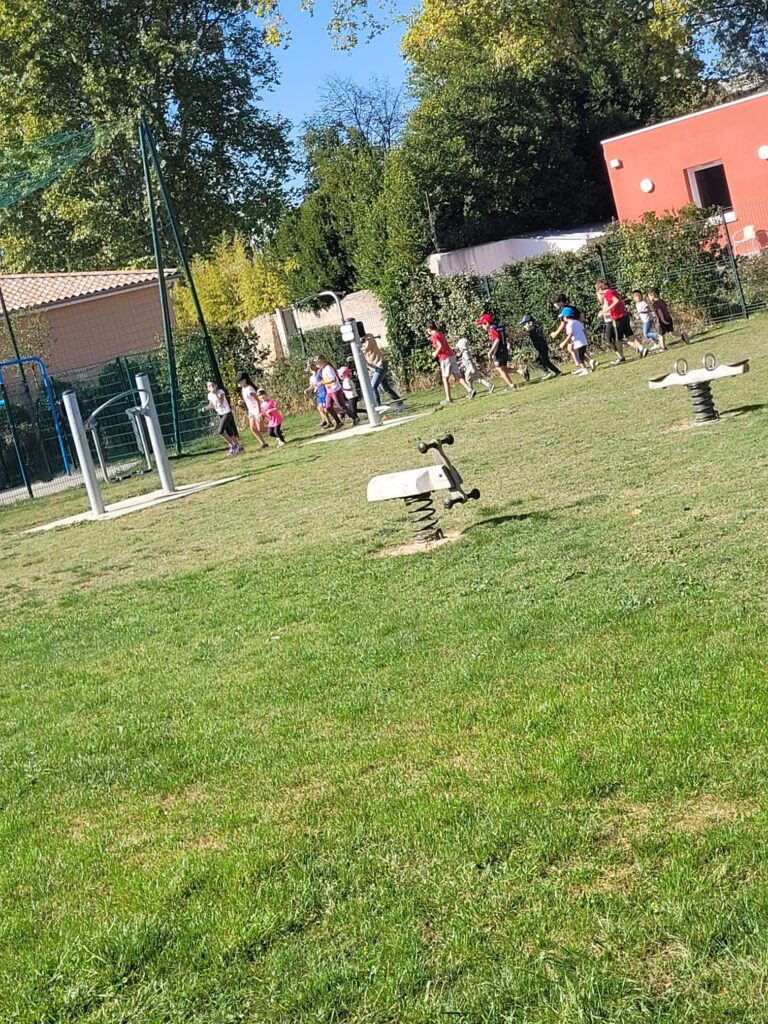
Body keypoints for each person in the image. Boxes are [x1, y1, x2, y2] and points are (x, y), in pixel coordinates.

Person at [596, 280, 647, 362]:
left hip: (618, 317)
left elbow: (616, 300)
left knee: (618, 339)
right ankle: (642, 348)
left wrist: (607, 310)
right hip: (624, 315)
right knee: (629, 334)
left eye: (598, 290)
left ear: (600, 288)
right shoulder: (613, 291)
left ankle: (621, 358)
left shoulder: (608, 293)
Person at [476, 313, 527, 391]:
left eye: (482, 325)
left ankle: (511, 385)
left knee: (500, 370)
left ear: (487, 323)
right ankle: (520, 371)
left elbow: (497, 340)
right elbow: (509, 335)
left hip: (498, 352)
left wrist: (490, 351)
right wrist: (509, 344)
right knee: (504, 368)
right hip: (504, 350)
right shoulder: (499, 327)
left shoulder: (492, 329)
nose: (482, 327)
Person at [426, 321, 474, 404]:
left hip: (444, 358)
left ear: (429, 329)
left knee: (445, 378)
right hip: (451, 356)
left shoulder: (434, 336)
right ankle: (470, 390)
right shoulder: (440, 334)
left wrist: (435, 353)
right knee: (457, 375)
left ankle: (448, 399)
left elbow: (440, 345)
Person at [361, 333, 404, 410]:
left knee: (373, 386)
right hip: (375, 368)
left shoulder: (369, 337)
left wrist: (361, 342)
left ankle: (378, 406)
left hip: (380, 364)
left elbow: (367, 346)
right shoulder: (360, 345)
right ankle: (400, 403)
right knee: (386, 388)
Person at [315, 354, 359, 428]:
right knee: (328, 407)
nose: (317, 366)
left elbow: (333, 379)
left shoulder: (328, 368)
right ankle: (338, 422)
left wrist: (323, 383)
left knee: (341, 406)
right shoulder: (323, 369)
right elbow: (327, 378)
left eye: (317, 363)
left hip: (335, 389)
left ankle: (354, 418)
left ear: (322, 362)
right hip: (329, 390)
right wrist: (323, 381)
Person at [205, 380, 243, 455]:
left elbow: (221, 402)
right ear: (208, 388)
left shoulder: (220, 392)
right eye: (209, 386)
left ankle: (233, 446)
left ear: (216, 386)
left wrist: (215, 394)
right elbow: (212, 404)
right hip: (220, 414)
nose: (211, 387)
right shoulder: (209, 395)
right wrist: (206, 408)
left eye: (212, 385)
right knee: (229, 433)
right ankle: (239, 448)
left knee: (220, 431)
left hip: (227, 413)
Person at [518, 314, 562, 380]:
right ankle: (549, 372)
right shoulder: (536, 327)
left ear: (530, 323)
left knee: (544, 361)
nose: (523, 326)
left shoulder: (532, 330)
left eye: (524, 324)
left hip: (542, 348)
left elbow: (525, 334)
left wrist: (515, 335)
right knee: (539, 361)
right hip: (541, 348)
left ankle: (555, 372)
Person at [234, 371, 268, 449]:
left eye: (239, 381)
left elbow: (257, 401)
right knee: (253, 429)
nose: (238, 383)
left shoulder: (249, 389)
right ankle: (263, 444)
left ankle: (276, 430)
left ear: (244, 380)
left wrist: (259, 413)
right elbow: (249, 401)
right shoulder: (243, 389)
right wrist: (242, 402)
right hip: (251, 411)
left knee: (261, 429)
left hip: (256, 410)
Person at [561, 307, 596, 376]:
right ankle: (591, 361)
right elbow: (584, 330)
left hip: (578, 344)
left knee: (578, 358)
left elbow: (570, 335)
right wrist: (586, 338)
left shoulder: (569, 325)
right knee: (581, 355)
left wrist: (563, 343)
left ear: (565, 317)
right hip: (583, 342)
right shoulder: (577, 322)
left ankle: (584, 370)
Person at [306, 361, 331, 430]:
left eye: (311, 368)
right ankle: (328, 422)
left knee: (327, 408)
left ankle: (341, 412)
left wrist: (323, 383)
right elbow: (312, 385)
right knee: (321, 408)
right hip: (319, 392)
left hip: (323, 391)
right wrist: (307, 390)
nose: (310, 370)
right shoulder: (312, 377)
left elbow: (325, 379)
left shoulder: (320, 372)